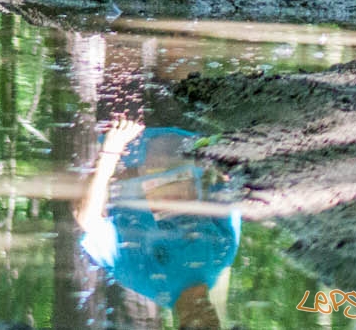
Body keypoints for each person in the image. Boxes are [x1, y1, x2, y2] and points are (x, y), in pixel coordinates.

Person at [76, 120, 240, 330]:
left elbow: (87, 219)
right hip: (186, 128)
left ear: (182, 325)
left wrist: (110, 151)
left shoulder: (143, 278)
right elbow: (227, 183)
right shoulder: (222, 254)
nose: (207, 322)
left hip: (127, 133)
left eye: (199, 328)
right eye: (213, 326)